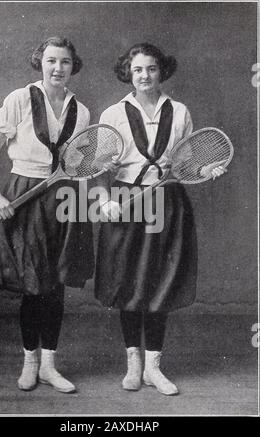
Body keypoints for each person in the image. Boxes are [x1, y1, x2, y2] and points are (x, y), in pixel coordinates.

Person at [94, 42, 226, 395]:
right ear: (128, 73)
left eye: (151, 68)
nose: (144, 75)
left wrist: (206, 166)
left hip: (167, 202)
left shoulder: (179, 112)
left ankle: (154, 366)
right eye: (137, 69)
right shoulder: (113, 114)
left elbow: (185, 163)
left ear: (161, 70)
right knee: (128, 282)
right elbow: (99, 169)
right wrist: (105, 199)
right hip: (126, 203)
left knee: (159, 284)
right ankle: (133, 363)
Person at [0, 36, 94, 393]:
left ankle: (49, 365)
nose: (57, 68)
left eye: (64, 61)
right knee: (33, 287)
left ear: (72, 66)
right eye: (51, 61)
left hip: (64, 198)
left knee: (56, 285)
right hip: (24, 195)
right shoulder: (19, 99)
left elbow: (79, 164)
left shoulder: (83, 111)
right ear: (40, 62)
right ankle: (29, 363)